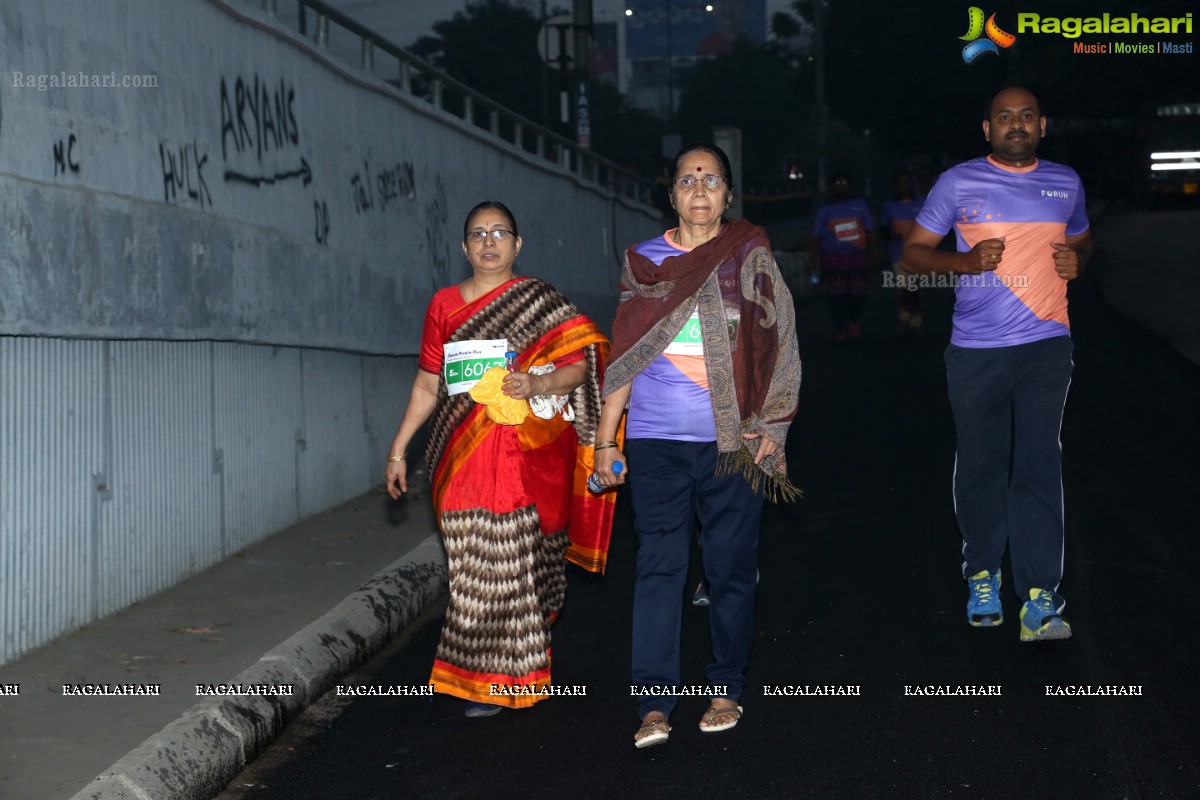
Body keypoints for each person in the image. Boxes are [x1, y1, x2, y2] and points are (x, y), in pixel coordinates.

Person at [591, 143, 801, 748]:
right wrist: (607, 440)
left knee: (730, 568)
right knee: (660, 566)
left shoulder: (749, 254)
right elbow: (624, 354)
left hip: (733, 443)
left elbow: (780, 340)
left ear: (729, 195)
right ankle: (654, 702)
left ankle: (726, 687)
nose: (700, 188)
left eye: (711, 179)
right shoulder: (644, 263)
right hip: (656, 441)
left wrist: (773, 425)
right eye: (688, 179)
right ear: (673, 194)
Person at [384, 200, 615, 716]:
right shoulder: (444, 304)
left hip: (529, 456)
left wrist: (537, 381)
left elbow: (578, 369)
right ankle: (486, 680)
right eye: (478, 234)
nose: (489, 242)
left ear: (517, 244)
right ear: (465, 247)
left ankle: (516, 656)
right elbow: (427, 384)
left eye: (500, 232)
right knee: (475, 564)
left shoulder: (541, 303)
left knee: (525, 565)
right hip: (458, 457)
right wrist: (399, 449)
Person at [901, 87, 1093, 643]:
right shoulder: (958, 182)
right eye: (1004, 117)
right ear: (987, 129)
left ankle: (1039, 598)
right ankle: (983, 574)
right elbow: (912, 255)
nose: (1016, 124)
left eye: (1026, 116)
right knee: (982, 463)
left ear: (1043, 125)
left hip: (1047, 345)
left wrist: (1076, 259)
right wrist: (961, 260)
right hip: (976, 350)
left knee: (1037, 462)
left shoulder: (1066, 182)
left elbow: (1083, 240)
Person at [811, 171, 879, 341]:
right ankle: (840, 328)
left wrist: (875, 251)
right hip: (832, 259)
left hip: (856, 258)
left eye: (845, 182)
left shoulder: (860, 204)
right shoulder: (825, 208)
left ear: (850, 184)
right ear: (832, 186)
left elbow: (870, 230)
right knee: (834, 296)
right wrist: (812, 258)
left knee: (857, 294)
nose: (842, 186)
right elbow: (816, 235)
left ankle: (853, 319)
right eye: (838, 183)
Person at [879, 171, 925, 334]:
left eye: (906, 181)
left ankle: (916, 319)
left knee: (914, 288)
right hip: (897, 254)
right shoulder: (890, 206)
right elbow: (883, 229)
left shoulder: (923, 203)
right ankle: (904, 317)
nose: (903, 185)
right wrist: (891, 235)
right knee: (902, 289)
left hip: (919, 254)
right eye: (900, 182)